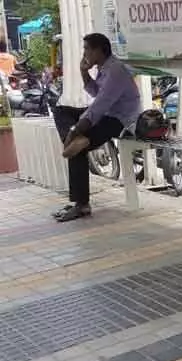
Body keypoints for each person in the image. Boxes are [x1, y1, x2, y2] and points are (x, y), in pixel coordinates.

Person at [52, 33, 140, 222]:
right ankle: (79, 141)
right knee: (61, 110)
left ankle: (82, 205)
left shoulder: (116, 70)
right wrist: (84, 72)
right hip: (106, 113)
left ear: (99, 50)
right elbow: (95, 93)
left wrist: (75, 131)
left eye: (87, 49)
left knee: (77, 148)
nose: (84, 53)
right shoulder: (103, 68)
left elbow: (100, 105)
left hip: (120, 121)